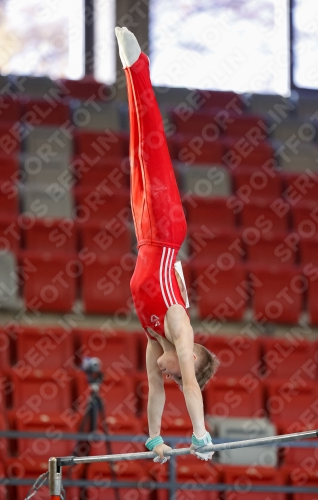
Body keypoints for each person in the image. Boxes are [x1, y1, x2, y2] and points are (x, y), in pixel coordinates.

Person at [115, 27, 219, 463]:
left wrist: (155, 438)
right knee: (150, 144)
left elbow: (155, 388)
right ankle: (137, 66)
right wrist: (200, 434)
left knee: (137, 149)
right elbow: (188, 385)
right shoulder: (179, 328)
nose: (171, 378)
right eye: (181, 375)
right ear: (188, 357)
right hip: (166, 229)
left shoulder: (154, 340)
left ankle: (131, 70)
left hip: (145, 231)